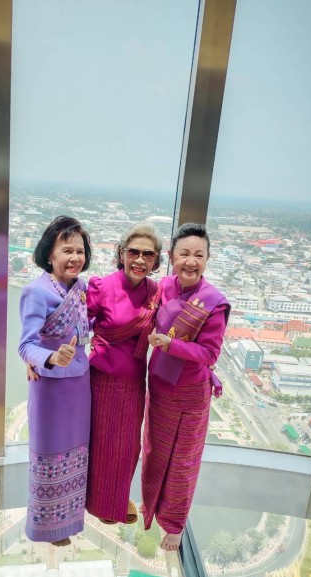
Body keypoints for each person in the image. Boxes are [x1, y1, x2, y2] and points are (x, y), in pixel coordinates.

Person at [142, 223, 230, 551]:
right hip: (160, 386)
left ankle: (175, 524)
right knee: (154, 452)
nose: (191, 262)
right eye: (184, 254)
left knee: (182, 462)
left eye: (199, 255)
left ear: (207, 259)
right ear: (171, 256)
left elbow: (210, 354)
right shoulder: (162, 287)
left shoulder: (214, 303)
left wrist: (171, 345)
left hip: (190, 394)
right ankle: (150, 508)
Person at [18, 215, 92, 546]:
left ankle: (69, 523)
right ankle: (47, 529)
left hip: (80, 388)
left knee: (75, 455)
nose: (75, 257)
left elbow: (85, 327)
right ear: (50, 253)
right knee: (49, 456)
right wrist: (49, 357)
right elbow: (26, 345)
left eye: (80, 251)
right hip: (50, 391)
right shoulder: (35, 292)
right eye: (67, 250)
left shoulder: (81, 289)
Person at [85, 223, 162, 525]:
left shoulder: (156, 292)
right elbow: (76, 325)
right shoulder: (102, 287)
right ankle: (97, 503)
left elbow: (177, 322)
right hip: (102, 381)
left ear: (156, 260)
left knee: (128, 447)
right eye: (134, 252)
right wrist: (41, 353)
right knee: (102, 445)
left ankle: (116, 500)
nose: (140, 260)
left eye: (148, 254)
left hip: (133, 383)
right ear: (121, 254)